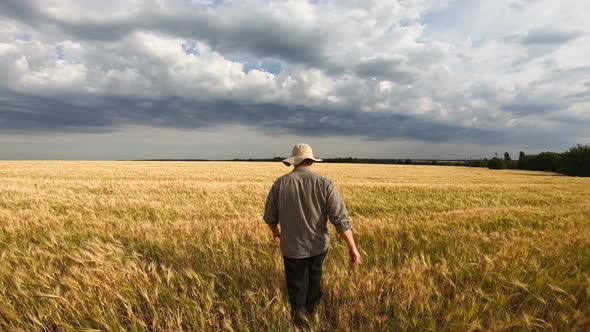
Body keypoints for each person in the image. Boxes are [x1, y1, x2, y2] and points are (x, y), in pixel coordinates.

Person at [263, 143, 361, 325]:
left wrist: (276, 233)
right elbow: (340, 219)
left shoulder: (280, 184)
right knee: (314, 282)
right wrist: (352, 247)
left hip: (292, 247)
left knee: (296, 287)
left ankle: (299, 323)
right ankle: (312, 316)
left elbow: (269, 217)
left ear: (293, 162)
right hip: (318, 246)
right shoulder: (325, 183)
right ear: (310, 161)